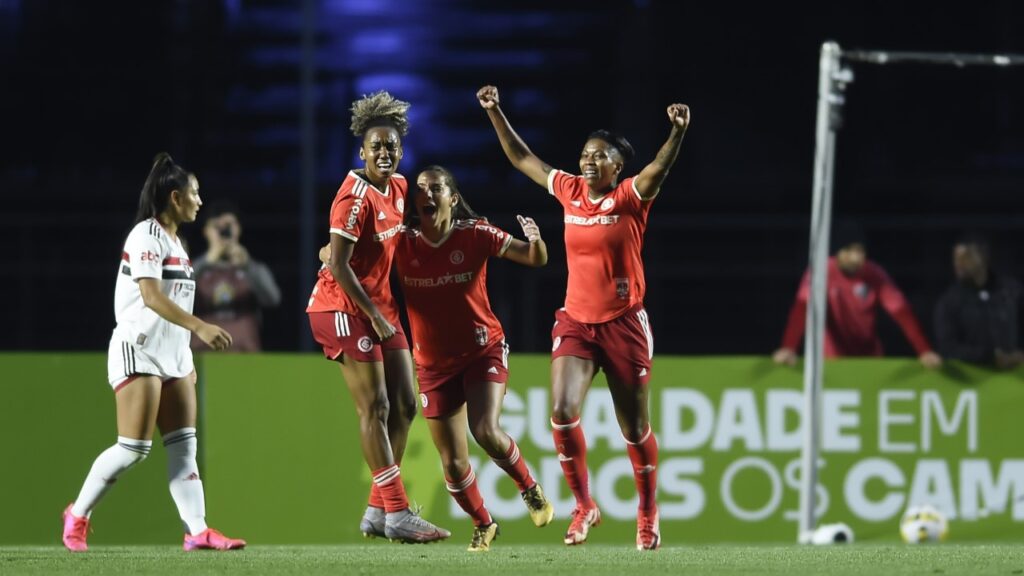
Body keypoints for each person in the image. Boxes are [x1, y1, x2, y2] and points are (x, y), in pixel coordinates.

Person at [477, 85, 690, 551]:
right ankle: (584, 506)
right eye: (585, 154)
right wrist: (496, 112)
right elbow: (522, 158)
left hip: (624, 324)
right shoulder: (569, 190)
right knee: (561, 413)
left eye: (599, 156)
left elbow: (659, 168)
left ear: (617, 167)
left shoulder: (632, 196)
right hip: (576, 321)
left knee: (633, 429)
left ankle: (648, 512)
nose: (588, 161)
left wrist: (676, 132)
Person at [324, 165, 555, 551]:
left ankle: (528, 487)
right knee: (451, 465)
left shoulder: (476, 233)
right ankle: (484, 523)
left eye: (436, 189)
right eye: (421, 190)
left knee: (485, 430)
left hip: (482, 350)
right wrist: (331, 251)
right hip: (433, 364)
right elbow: (357, 250)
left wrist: (536, 241)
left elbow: (535, 258)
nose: (426, 195)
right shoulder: (403, 243)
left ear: (452, 197)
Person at [62, 153, 245, 552]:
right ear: (175, 197)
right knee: (134, 449)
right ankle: (77, 515)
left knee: (184, 449)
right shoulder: (146, 235)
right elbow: (150, 296)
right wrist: (199, 327)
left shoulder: (178, 243)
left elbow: (174, 303)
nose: (200, 200)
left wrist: (187, 353)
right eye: (195, 193)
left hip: (175, 358)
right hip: (138, 352)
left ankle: (197, 532)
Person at [305, 91, 449, 543]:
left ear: (401, 151)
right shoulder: (353, 199)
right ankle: (399, 511)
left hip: (380, 310)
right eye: (376, 147)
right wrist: (373, 313)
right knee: (376, 406)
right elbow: (339, 264)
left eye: (391, 146)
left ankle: (376, 510)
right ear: (361, 152)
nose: (384, 153)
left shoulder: (402, 188)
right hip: (341, 309)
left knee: (407, 404)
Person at [772, 222, 943, 369]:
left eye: (860, 251)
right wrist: (789, 347)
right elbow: (802, 308)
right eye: (849, 250)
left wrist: (924, 350)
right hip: (832, 361)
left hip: (869, 360)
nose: (856, 258)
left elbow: (901, 312)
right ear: (837, 252)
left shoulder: (874, 274)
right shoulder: (821, 272)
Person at [191, 201, 281, 352]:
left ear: (238, 229)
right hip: (202, 356)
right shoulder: (193, 268)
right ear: (206, 231)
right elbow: (173, 294)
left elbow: (272, 299)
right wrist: (206, 262)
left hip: (244, 357)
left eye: (228, 225)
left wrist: (247, 265)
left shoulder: (252, 268)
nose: (223, 231)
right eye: (216, 227)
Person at [934, 234, 1024, 368]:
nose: (959, 263)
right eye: (956, 258)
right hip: (971, 384)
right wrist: (990, 356)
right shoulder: (949, 301)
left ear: (983, 256)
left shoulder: (1012, 293)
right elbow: (947, 347)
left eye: (966, 257)